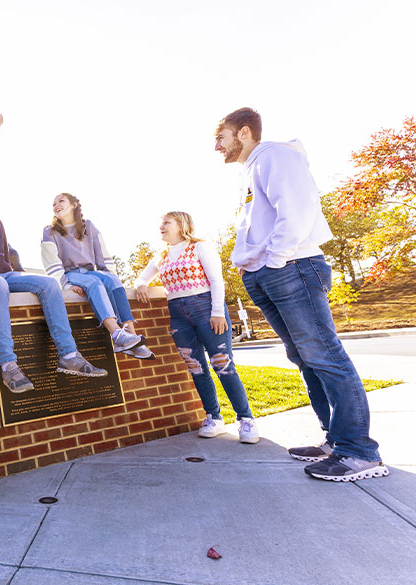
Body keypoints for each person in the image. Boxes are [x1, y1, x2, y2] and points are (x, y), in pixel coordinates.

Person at [214, 107, 387, 480]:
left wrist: (274, 260)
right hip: (268, 273)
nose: (217, 147)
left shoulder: (276, 156)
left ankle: (360, 452)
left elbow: (297, 210)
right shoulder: (252, 169)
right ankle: (336, 441)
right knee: (304, 357)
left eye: (221, 138)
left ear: (244, 133)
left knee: (325, 355)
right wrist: (253, 267)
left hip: (291, 267)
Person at [0, 177, 108, 394]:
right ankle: (8, 365)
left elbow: (4, 259)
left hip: (5, 275)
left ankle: (68, 355)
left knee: (48, 284)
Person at [135, 212, 259, 443]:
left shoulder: (200, 247)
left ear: (181, 225)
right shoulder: (160, 256)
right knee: (196, 367)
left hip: (205, 308)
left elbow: (216, 280)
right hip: (178, 314)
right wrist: (142, 284)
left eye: (166, 223)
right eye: (160, 223)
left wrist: (218, 313)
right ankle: (214, 417)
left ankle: (246, 419)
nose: (161, 226)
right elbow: (141, 279)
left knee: (223, 364)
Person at [41, 193, 152, 359]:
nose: (56, 205)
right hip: (71, 273)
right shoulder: (49, 232)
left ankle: (132, 338)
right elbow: (51, 262)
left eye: (61, 201)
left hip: (90, 272)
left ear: (73, 205)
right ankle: (116, 334)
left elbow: (103, 256)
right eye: (54, 203)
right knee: (94, 282)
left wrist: (111, 279)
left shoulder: (88, 226)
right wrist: (66, 285)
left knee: (113, 279)